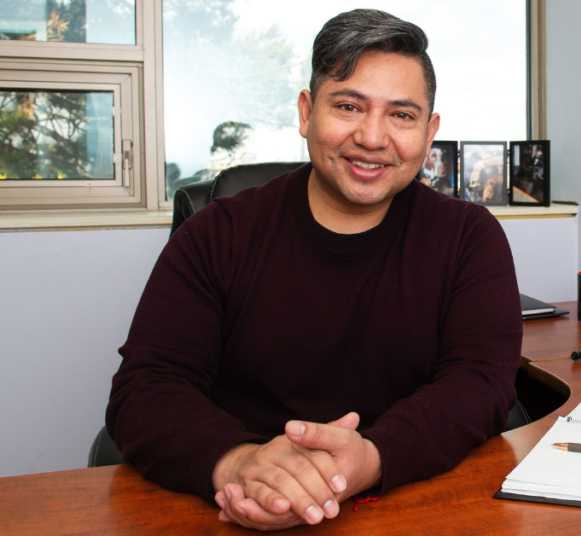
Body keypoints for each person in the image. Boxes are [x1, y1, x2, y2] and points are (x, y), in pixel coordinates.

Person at [105, 9, 522, 532]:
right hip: (235, 504)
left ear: (429, 131)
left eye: (401, 115)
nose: (373, 137)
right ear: (306, 112)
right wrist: (239, 464)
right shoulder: (218, 232)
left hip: (400, 504)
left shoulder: (468, 236)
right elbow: (147, 387)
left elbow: (480, 382)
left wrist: (371, 458)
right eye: (349, 106)